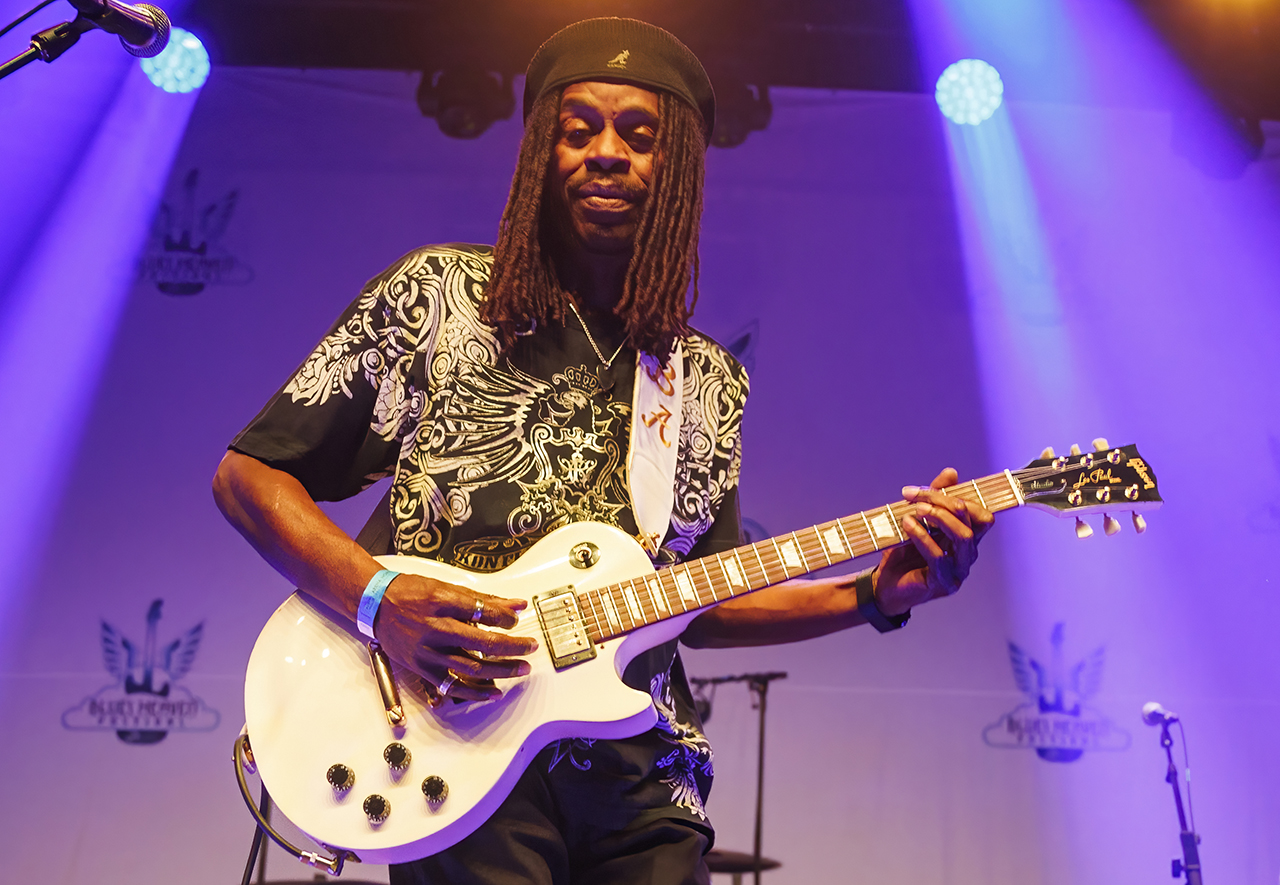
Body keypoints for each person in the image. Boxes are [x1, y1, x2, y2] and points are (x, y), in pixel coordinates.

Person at [212, 17, 994, 885]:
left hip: (644, 781)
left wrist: (875, 593)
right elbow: (250, 475)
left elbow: (694, 600)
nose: (608, 153)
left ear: (680, 169)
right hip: (459, 756)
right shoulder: (439, 298)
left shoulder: (705, 380)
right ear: (541, 152)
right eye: (579, 130)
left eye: (640, 135)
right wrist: (379, 597)